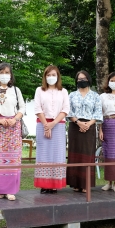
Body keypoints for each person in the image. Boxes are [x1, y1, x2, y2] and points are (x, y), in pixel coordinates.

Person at [0, 63, 26, 201]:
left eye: (7, 72)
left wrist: (15, 119)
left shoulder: (15, 90)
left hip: (13, 127)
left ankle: (10, 190)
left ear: (11, 75)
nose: (4, 75)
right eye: (1, 72)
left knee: (12, 158)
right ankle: (1, 190)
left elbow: (22, 107)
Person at [33, 65, 70, 193]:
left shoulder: (63, 91)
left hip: (58, 125)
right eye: (48, 75)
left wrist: (52, 124)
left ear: (58, 76)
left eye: (53, 75)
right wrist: (46, 125)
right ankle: (44, 184)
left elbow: (65, 109)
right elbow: (37, 108)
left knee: (57, 155)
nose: (51, 77)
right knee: (44, 154)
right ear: (45, 77)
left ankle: (54, 184)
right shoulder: (39, 90)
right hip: (42, 125)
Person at [67, 70, 103, 193]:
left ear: (88, 79)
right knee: (74, 155)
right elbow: (68, 111)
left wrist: (88, 124)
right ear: (76, 81)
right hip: (74, 126)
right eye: (79, 79)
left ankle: (86, 184)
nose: (81, 81)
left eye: (84, 78)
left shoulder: (95, 96)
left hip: (89, 127)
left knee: (87, 156)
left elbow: (97, 112)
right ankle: (75, 184)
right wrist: (78, 122)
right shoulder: (71, 95)